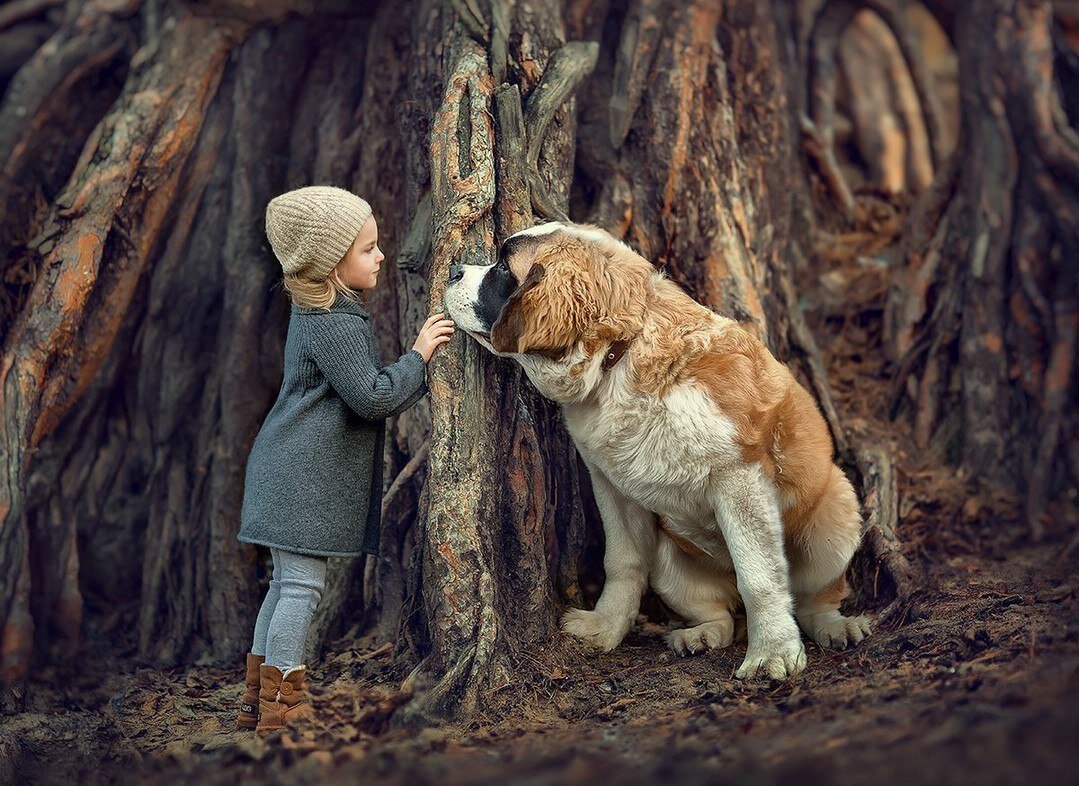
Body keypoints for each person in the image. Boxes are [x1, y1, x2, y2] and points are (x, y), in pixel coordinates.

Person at [234, 185, 454, 736]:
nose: (381, 256)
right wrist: (419, 356)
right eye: (368, 248)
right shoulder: (334, 322)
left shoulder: (317, 313)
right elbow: (372, 397)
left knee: (284, 586)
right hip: (298, 478)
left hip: (286, 470)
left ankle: (258, 700)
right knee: (300, 589)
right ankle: (282, 709)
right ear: (332, 264)